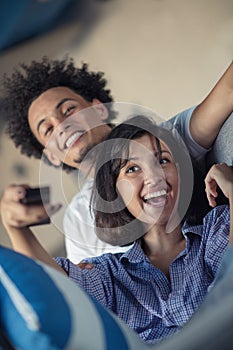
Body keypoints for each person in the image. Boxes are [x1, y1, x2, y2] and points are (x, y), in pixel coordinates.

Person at [1, 116, 232, 344]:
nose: (153, 177)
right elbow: (52, 288)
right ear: (115, 193)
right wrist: (16, 228)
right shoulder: (110, 275)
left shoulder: (216, 229)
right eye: (132, 169)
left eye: (162, 161)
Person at [2, 56, 233, 262]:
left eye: (69, 110)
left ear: (99, 109)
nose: (62, 126)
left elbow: (228, 91)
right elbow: (72, 293)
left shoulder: (164, 140)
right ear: (51, 154)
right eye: (48, 129)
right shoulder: (79, 217)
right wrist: (15, 228)